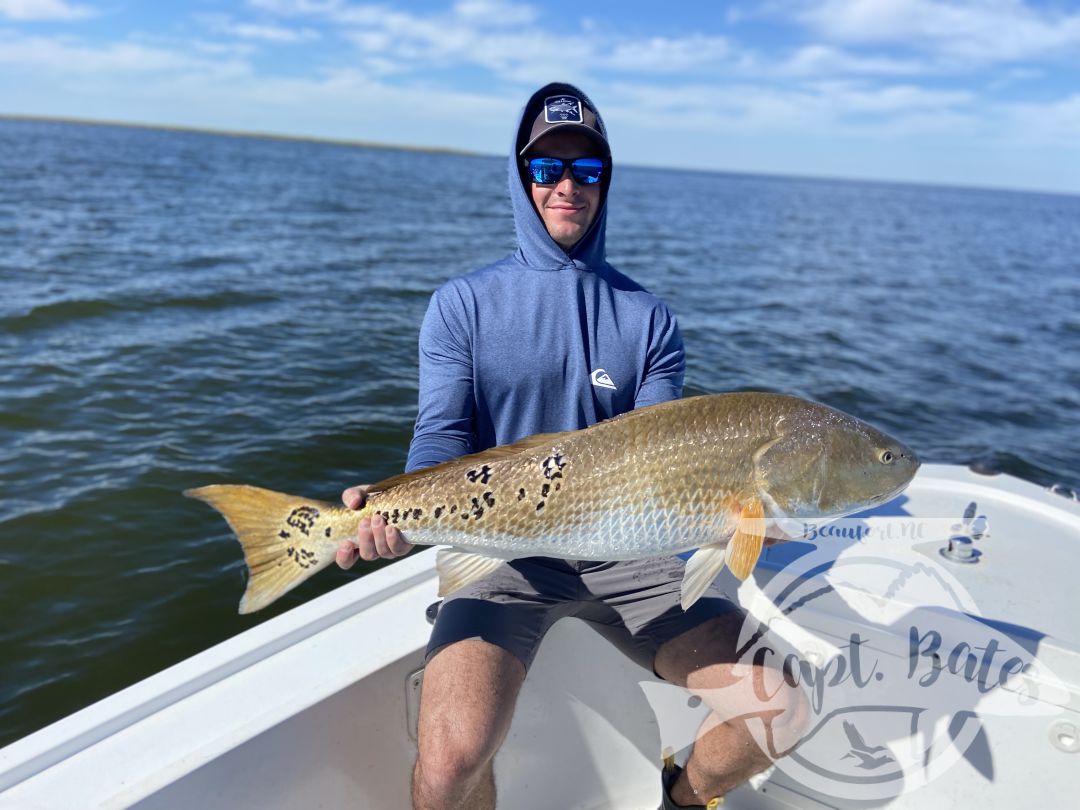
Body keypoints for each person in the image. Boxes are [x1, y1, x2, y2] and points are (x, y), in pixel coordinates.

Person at [336, 83, 805, 810]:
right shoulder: (463, 304)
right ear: (522, 179)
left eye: (587, 171)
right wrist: (393, 513)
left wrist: (741, 513)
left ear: (604, 184)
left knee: (781, 706)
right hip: (505, 552)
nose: (566, 186)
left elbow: (663, 450)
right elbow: (441, 436)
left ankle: (678, 797)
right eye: (547, 168)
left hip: (634, 553)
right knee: (448, 763)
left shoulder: (648, 319)